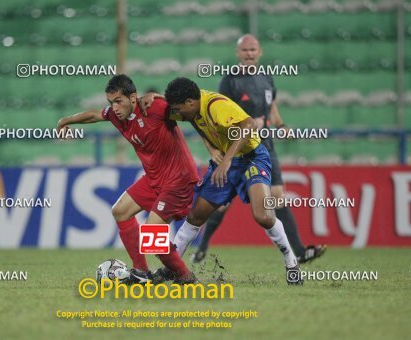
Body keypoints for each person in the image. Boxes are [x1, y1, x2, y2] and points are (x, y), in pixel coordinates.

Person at [190, 34, 326, 265]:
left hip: (266, 146)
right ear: (238, 54)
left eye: (253, 50)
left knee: (278, 197)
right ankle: (202, 247)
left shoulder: (266, 78)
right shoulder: (230, 81)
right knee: (222, 203)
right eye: (245, 50)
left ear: (260, 52)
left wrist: (280, 125)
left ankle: (300, 252)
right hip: (238, 148)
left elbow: (271, 106)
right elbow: (219, 114)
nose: (249, 54)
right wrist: (248, 125)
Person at [159, 76, 303, 285]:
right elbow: (188, 119)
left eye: (179, 109)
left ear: (190, 102)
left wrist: (226, 161)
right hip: (227, 162)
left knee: (263, 216)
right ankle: (170, 268)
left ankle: (291, 262)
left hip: (252, 158)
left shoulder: (217, 106)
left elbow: (249, 124)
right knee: (196, 216)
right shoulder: (190, 108)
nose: (177, 114)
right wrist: (211, 148)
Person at [57, 74, 198, 284]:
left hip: (178, 179)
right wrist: (65, 121)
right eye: (110, 102)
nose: (114, 107)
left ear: (133, 98)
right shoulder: (116, 116)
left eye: (118, 101)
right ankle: (141, 271)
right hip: (154, 179)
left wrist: (159, 97)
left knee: (152, 237)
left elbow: (189, 110)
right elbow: (94, 115)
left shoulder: (154, 108)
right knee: (120, 211)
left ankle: (186, 278)